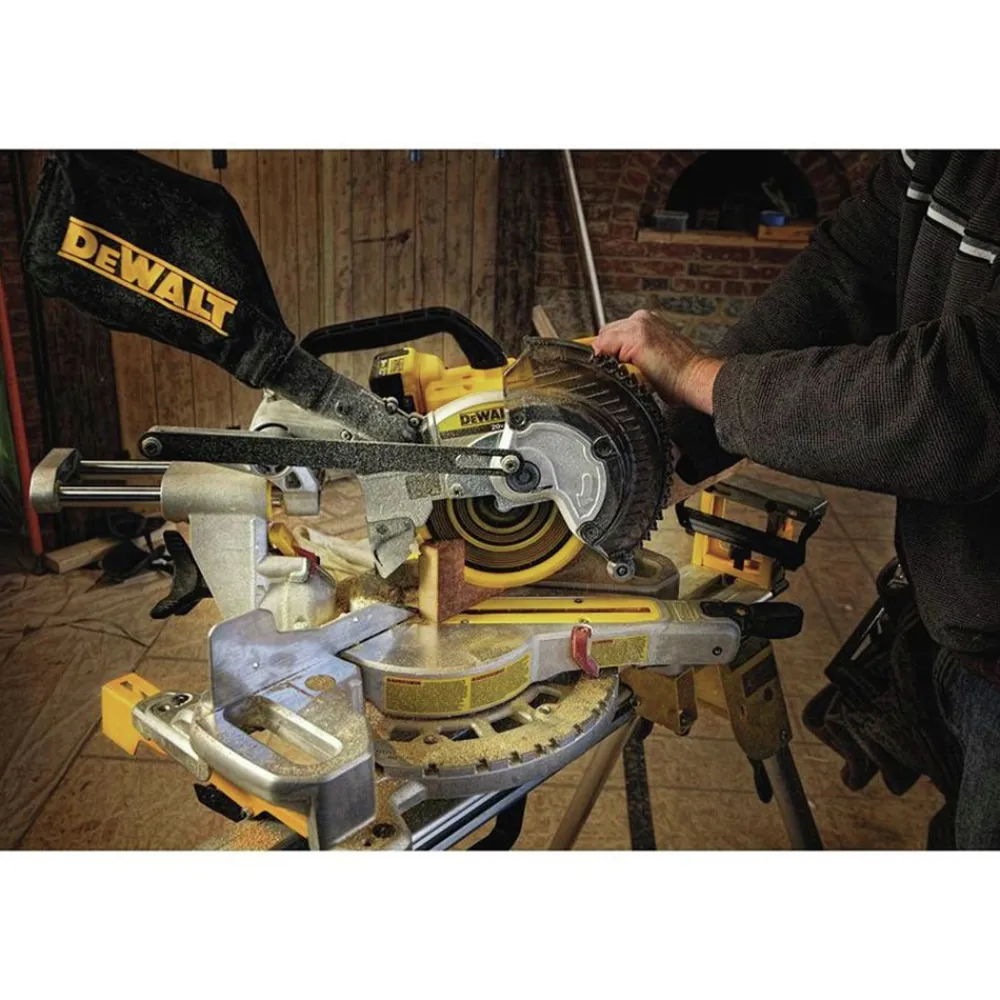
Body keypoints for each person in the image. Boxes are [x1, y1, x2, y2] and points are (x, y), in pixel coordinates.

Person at [591, 150, 1000, 849]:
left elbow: (964, 396)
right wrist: (667, 448)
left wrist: (703, 378)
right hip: (963, 615)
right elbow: (844, 275)